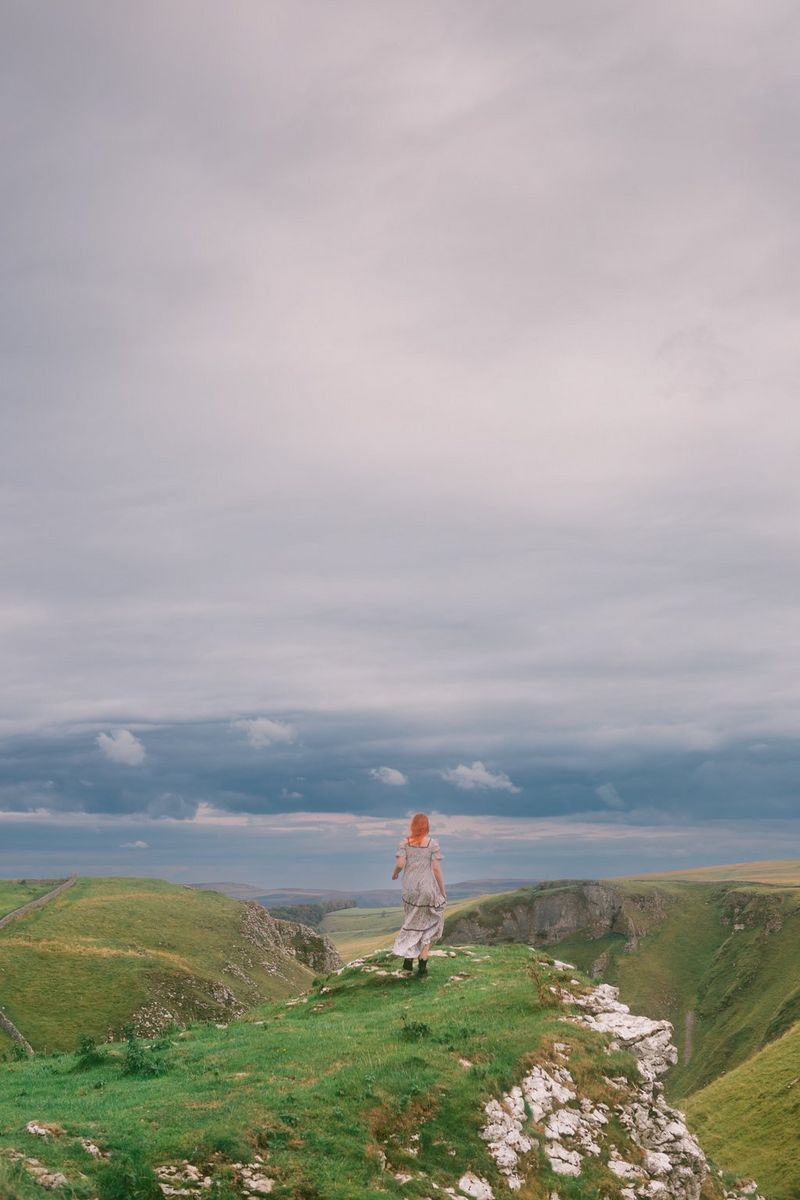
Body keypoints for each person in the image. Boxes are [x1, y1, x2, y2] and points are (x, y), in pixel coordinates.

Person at [391, 812, 446, 976]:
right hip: (427, 889)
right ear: (427, 826)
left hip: (409, 890)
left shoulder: (404, 843)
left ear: (413, 826)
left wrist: (395, 874)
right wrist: (442, 891)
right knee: (428, 924)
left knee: (411, 921)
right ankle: (422, 968)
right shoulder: (432, 844)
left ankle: (408, 961)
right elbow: (436, 869)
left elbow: (400, 864)